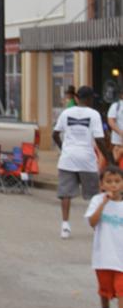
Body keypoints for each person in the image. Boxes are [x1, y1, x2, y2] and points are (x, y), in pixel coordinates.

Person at [53, 86, 109, 240]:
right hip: (87, 159)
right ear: (90, 99)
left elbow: (55, 134)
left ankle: (65, 226)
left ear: (77, 98)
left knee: (66, 194)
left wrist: (63, 148)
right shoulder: (94, 114)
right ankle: (95, 226)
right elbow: (99, 139)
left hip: (67, 158)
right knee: (94, 195)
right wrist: (109, 159)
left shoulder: (66, 113)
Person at [85, 165, 123, 308]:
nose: (113, 185)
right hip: (103, 254)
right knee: (105, 288)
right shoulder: (96, 200)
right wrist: (104, 202)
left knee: (121, 287)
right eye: (109, 181)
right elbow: (92, 222)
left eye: (117, 181)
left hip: (121, 254)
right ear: (102, 185)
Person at [108, 90, 123, 166]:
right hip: (118, 142)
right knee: (116, 163)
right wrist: (120, 132)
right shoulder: (116, 106)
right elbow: (111, 121)